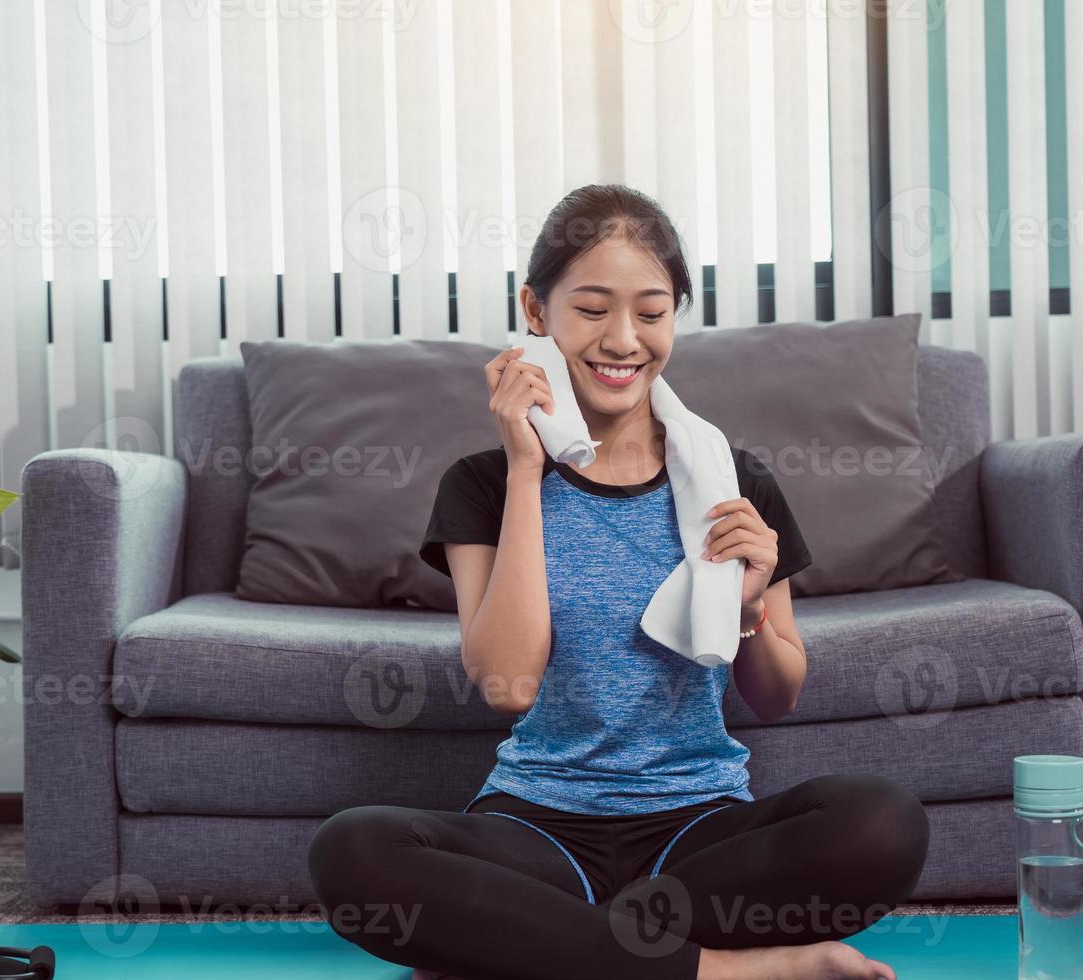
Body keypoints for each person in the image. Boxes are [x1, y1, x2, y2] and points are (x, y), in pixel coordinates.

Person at [308, 184, 929, 980]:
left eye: (651, 311)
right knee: (355, 853)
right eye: (593, 309)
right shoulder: (483, 485)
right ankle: (734, 971)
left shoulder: (735, 482)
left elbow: (777, 696)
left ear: (675, 316)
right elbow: (507, 684)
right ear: (536, 311)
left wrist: (744, 611)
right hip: (536, 830)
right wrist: (529, 469)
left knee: (881, 822)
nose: (623, 340)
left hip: (695, 839)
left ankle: (543, 946)